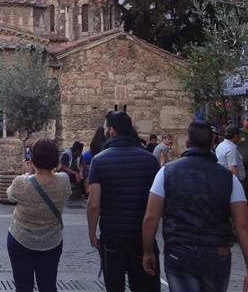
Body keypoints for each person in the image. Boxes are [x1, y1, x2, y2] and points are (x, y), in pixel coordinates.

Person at [142, 122, 248, 292]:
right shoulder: (230, 179)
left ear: (187, 143)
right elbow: (242, 226)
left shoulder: (166, 173)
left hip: (179, 251)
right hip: (217, 253)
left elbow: (151, 217)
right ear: (212, 143)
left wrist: (147, 252)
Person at [87, 110, 160, 291]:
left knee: (114, 286)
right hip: (140, 234)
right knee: (145, 285)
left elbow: (93, 203)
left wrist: (91, 233)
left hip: (112, 235)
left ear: (112, 131)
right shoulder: (149, 160)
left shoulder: (99, 161)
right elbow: (156, 203)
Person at [7, 138, 71, 292]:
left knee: (23, 286)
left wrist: (28, 173)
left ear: (33, 159)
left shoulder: (21, 182)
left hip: (21, 238)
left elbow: (10, 195)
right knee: (48, 285)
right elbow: (65, 189)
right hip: (51, 241)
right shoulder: (64, 181)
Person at [82, 128, 106, 197]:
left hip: (94, 165)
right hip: (102, 166)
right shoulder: (106, 143)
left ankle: (88, 191)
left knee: (87, 174)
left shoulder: (93, 143)